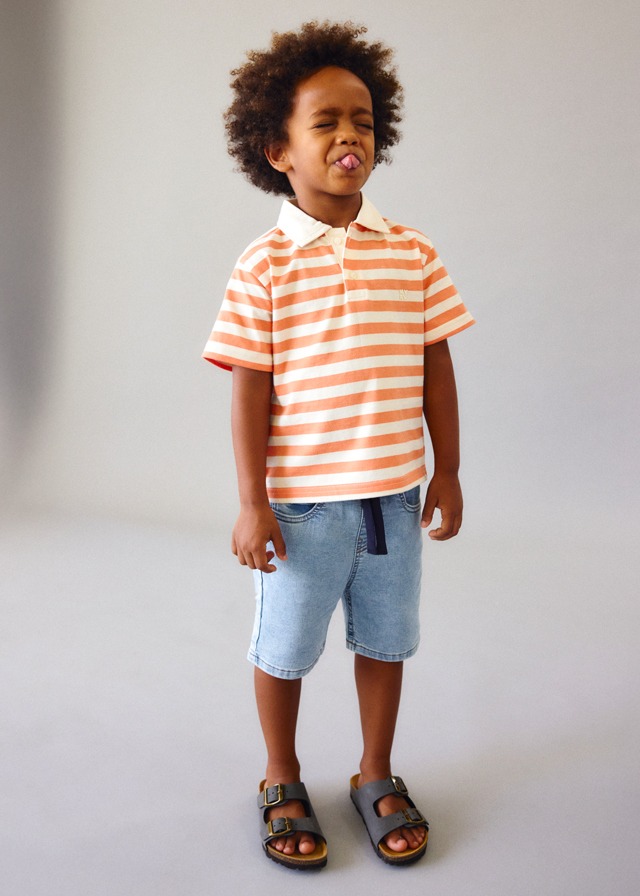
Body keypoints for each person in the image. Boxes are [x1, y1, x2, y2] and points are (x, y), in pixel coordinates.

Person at [203, 20, 474, 869]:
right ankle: (281, 775)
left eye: (362, 119)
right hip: (304, 509)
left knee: (387, 641)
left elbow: (437, 366)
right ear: (277, 149)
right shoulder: (265, 266)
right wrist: (252, 502)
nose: (349, 134)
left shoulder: (412, 253)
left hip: (393, 499)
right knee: (284, 649)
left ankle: (375, 770)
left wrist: (448, 471)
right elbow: (248, 387)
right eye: (325, 122)